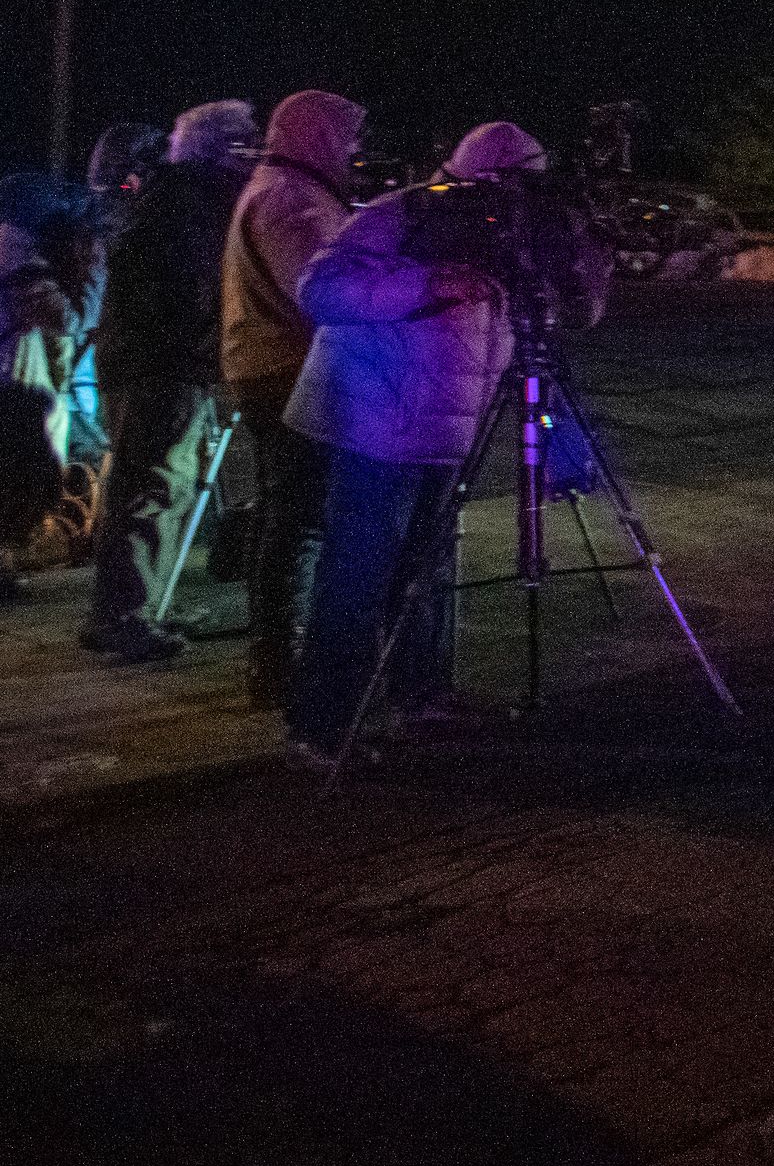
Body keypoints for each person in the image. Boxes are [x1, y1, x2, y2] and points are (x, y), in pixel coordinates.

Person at [284, 120, 608, 762]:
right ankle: (323, 726)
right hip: (374, 425)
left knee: (427, 568)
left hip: (448, 432)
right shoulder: (399, 215)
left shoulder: (518, 233)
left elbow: (571, 316)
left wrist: (585, 254)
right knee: (358, 573)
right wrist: (426, 285)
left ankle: (419, 698)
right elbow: (319, 289)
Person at [81, 100, 258, 663]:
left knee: (156, 485)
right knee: (154, 486)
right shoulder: (190, 205)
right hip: (161, 365)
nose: (253, 150)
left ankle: (137, 605)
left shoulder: (170, 196)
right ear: (218, 147)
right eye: (243, 140)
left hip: (147, 361)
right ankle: (123, 616)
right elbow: (193, 290)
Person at [223, 90, 366, 710]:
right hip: (287, 367)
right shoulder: (290, 199)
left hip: (269, 363)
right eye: (347, 136)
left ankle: (276, 656)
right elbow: (319, 289)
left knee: (289, 512)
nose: (355, 149)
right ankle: (279, 660)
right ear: (318, 136)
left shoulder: (280, 187)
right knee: (296, 516)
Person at [2, 170, 112, 601]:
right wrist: (96, 269)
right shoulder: (17, 256)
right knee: (21, 478)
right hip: (12, 384)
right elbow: (69, 318)